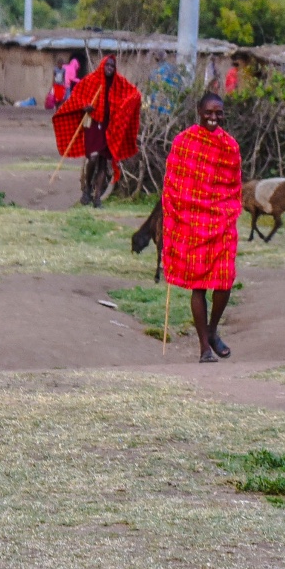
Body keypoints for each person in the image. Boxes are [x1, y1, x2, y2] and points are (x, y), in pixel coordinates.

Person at [161, 92, 241, 363]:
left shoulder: (230, 147)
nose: (213, 118)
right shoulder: (183, 142)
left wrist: (226, 214)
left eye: (218, 113)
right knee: (198, 287)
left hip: (221, 222)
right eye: (209, 112)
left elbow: (233, 188)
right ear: (198, 111)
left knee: (224, 282)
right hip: (192, 224)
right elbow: (173, 185)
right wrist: (175, 217)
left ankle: (213, 329)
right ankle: (204, 347)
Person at [52, 54, 141, 207]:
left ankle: (97, 197)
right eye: (107, 65)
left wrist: (123, 108)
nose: (109, 68)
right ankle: (87, 189)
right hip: (93, 124)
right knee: (92, 157)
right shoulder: (91, 80)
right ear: (102, 65)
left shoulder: (119, 83)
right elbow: (77, 96)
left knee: (103, 163)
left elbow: (135, 94)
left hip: (109, 126)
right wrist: (85, 106)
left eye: (112, 66)